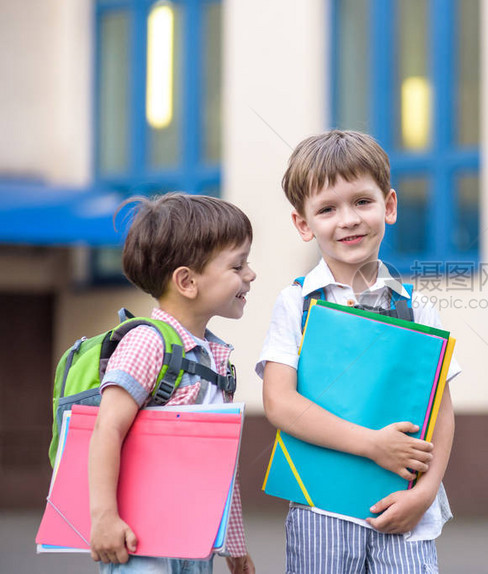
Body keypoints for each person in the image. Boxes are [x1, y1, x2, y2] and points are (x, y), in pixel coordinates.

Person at [258, 130, 460, 573]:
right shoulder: (296, 303)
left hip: (403, 508)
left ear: (388, 206)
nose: (347, 219)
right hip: (321, 509)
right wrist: (373, 446)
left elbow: (440, 409)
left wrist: (424, 495)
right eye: (327, 209)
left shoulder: (415, 306)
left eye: (361, 202)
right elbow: (279, 401)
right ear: (303, 224)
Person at [88, 193, 257, 574]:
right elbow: (107, 428)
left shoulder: (215, 358)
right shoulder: (148, 342)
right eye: (238, 265)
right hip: (142, 544)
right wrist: (104, 518)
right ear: (187, 281)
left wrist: (234, 547)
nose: (251, 274)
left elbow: (218, 467)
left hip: (194, 545)